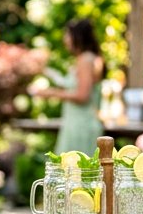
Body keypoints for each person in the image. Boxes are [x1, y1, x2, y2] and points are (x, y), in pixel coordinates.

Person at [44, 17, 104, 156]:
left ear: (77, 36)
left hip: (81, 126)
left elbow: (82, 95)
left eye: (67, 35)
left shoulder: (86, 59)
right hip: (76, 124)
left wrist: (51, 93)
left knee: (75, 168)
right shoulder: (89, 58)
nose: (65, 39)